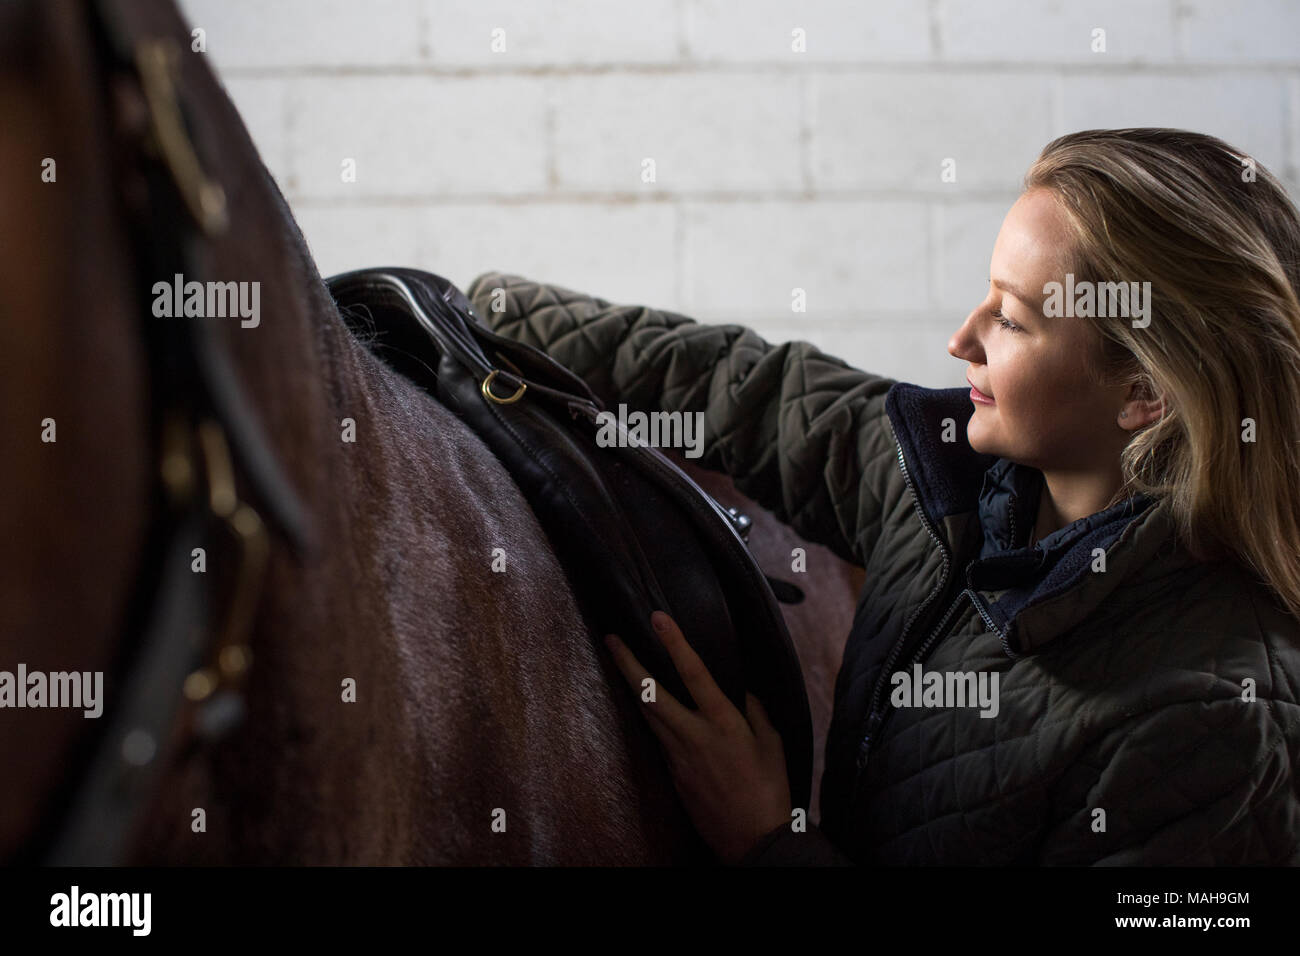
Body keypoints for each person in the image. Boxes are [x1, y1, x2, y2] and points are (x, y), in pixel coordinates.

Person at [466, 128, 1300, 865]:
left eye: (1010, 320)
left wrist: (766, 841)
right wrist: (466, 307)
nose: (961, 338)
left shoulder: (1219, 730)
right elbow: (743, 386)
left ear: (1142, 394)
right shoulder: (948, 480)